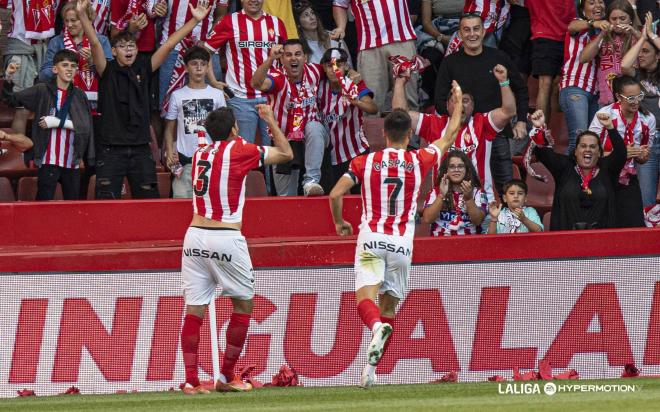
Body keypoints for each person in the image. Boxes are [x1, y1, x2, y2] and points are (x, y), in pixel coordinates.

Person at [328, 81, 463, 388]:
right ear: (409, 135)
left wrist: (339, 222)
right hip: (402, 243)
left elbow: (335, 194)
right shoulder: (420, 159)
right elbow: (449, 136)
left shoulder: (365, 162)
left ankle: (375, 328)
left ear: (384, 134)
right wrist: (455, 105)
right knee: (389, 308)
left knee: (366, 299)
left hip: (371, 237)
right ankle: (371, 371)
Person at [179, 104, 293, 395]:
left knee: (194, 310)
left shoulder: (199, 154)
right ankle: (227, 374)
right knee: (243, 306)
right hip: (225, 236)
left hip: (193, 237)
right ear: (233, 129)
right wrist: (270, 120)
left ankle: (191, 381)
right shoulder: (239, 150)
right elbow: (286, 154)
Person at [78, 0, 211, 199]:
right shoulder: (106, 70)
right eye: (122, 46)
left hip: (141, 149)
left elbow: (169, 43)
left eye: (131, 45)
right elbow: (96, 42)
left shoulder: (144, 67)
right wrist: (81, 15)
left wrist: (194, 21)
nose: (128, 49)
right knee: (106, 205)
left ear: (137, 49)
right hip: (111, 150)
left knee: (150, 204)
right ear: (113, 51)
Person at [434, 13, 529, 198]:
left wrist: (521, 122)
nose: (472, 34)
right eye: (466, 30)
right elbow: (438, 102)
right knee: (461, 192)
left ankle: (507, 226)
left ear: (484, 31)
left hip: (497, 134)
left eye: (476, 28)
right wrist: (461, 119)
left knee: (507, 190)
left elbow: (521, 90)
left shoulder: (499, 57)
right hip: (462, 138)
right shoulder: (450, 62)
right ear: (459, 34)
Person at [399, 63, 515, 203]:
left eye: (465, 101)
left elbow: (508, 112)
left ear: (473, 106)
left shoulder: (482, 123)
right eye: (455, 101)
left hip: (479, 201)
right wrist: (400, 83)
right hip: (442, 202)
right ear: (447, 106)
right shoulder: (435, 123)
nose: (460, 105)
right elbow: (400, 116)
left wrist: (503, 81)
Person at [2, 50, 94, 200]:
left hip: (72, 162)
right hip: (48, 160)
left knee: (73, 209)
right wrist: (8, 77)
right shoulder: (42, 89)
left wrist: (58, 123)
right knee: (43, 206)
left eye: (73, 66)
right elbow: (11, 100)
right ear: (55, 69)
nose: (69, 69)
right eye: (65, 65)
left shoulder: (79, 95)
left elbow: (85, 127)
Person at [204, 0, 287, 146]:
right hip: (240, 99)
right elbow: (206, 51)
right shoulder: (229, 21)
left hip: (272, 98)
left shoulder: (277, 23)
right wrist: (213, 81)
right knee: (244, 151)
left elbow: (286, 57)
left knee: (274, 152)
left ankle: (271, 171)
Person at [251, 40, 328, 196]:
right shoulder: (278, 78)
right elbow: (256, 83)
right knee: (286, 196)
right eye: (288, 55)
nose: (294, 58)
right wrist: (270, 59)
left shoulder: (315, 71)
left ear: (305, 58)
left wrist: (350, 73)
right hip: (284, 141)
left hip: (311, 138)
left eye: (298, 54)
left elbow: (334, 66)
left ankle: (311, 181)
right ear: (282, 59)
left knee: (314, 126)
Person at [532, 109, 627, 230]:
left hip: (602, 241)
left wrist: (610, 128)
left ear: (599, 152)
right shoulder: (564, 167)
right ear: (576, 151)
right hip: (566, 242)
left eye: (593, 147)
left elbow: (621, 153)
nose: (588, 149)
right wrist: (538, 127)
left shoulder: (607, 169)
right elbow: (542, 152)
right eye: (583, 146)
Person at [331, 0, 418, 114]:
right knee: (371, 102)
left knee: (408, 99)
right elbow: (340, 4)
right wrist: (341, 27)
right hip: (369, 47)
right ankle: (373, 131)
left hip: (402, 40)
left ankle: (410, 132)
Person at [589, 75, 653, 227]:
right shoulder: (604, 115)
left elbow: (643, 157)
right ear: (618, 96)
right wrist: (619, 155)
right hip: (602, 176)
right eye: (631, 98)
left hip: (628, 177)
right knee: (604, 224)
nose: (636, 101)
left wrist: (642, 156)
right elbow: (590, 152)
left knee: (634, 224)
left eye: (639, 96)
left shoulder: (648, 119)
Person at [164, 46, 226, 198]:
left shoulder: (217, 95)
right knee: (179, 205)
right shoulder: (177, 95)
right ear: (186, 68)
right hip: (185, 161)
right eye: (194, 63)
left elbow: (225, 127)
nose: (199, 68)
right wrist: (170, 150)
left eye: (203, 64)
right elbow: (169, 128)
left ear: (207, 67)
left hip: (211, 160)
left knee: (210, 205)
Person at [317, 48, 377, 187]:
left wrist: (356, 101)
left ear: (345, 66)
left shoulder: (353, 83)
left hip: (355, 151)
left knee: (358, 197)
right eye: (329, 65)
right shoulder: (319, 86)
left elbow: (373, 108)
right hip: (329, 156)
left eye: (338, 64)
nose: (334, 69)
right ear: (324, 68)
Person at [40, 1, 113, 114]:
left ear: (86, 19)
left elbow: (111, 74)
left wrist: (93, 61)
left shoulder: (101, 41)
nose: (69, 25)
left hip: (98, 102)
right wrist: (62, 69)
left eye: (73, 20)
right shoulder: (56, 42)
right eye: (66, 21)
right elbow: (44, 74)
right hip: (65, 102)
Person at [621, 12, 660, 208]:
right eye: (640, 52)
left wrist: (651, 35)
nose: (641, 55)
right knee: (646, 197)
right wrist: (642, 38)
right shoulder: (637, 75)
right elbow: (624, 65)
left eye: (646, 51)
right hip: (647, 142)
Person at [559, 0, 607, 155]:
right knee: (578, 139)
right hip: (575, 86)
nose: (598, 5)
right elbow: (571, 27)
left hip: (595, 94)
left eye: (601, 2)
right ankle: (567, 178)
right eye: (592, 3)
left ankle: (585, 179)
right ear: (582, 9)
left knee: (592, 142)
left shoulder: (604, 31)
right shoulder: (580, 23)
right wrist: (594, 23)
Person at [580, 0, 640, 106]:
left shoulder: (637, 35)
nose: (618, 22)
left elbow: (649, 46)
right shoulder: (604, 37)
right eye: (613, 19)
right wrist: (603, 33)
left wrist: (634, 32)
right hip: (606, 97)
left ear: (630, 19)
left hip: (631, 96)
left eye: (622, 18)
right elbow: (583, 58)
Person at [526, 0, 576, 124]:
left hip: (570, 36)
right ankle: (540, 134)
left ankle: (546, 133)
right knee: (545, 84)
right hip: (544, 35)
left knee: (559, 86)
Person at [421, 150, 488, 236]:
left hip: (470, 245)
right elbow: (427, 219)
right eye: (452, 167)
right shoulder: (435, 191)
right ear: (446, 170)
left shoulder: (478, 192)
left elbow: (478, 221)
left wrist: (469, 199)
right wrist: (441, 195)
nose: (456, 170)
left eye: (460, 166)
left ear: (467, 170)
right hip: (440, 244)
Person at [293, 1, 351, 65]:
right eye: (306, 15)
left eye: (312, 13)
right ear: (298, 24)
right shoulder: (299, 46)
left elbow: (348, 65)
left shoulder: (334, 37)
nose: (312, 18)